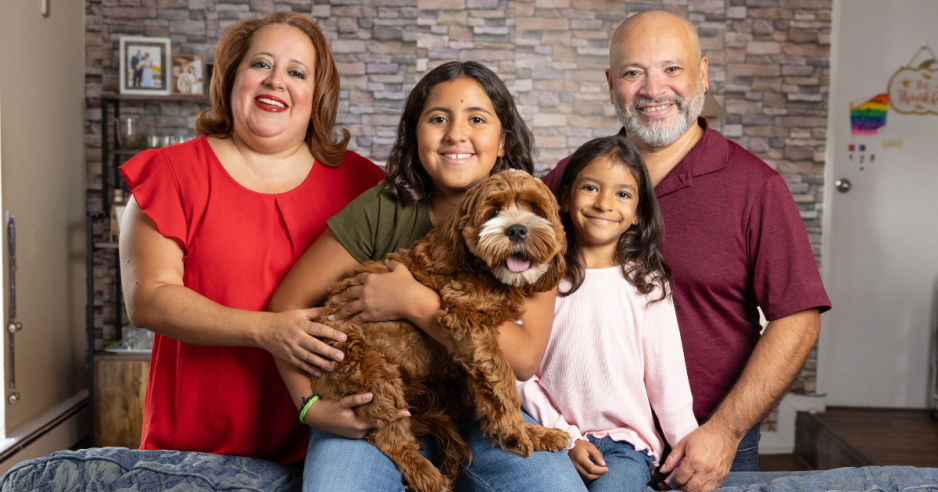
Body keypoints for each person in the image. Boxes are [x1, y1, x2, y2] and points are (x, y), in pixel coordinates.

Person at [541, 10, 831, 492]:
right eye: (635, 72)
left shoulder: (754, 186)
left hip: (703, 447)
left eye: (672, 69)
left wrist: (724, 432)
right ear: (611, 83)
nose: (655, 90)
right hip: (584, 448)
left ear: (702, 74)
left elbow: (798, 318)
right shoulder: (570, 180)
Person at [268, 61, 583, 492]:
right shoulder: (384, 207)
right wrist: (309, 407)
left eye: (477, 118)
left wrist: (412, 302)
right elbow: (285, 309)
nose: (456, 133)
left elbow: (524, 359)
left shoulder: (531, 218)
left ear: (502, 139)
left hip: (478, 411)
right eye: (438, 119)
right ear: (416, 136)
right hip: (372, 406)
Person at [118, 12, 384, 466]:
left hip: (325, 448)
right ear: (232, 79)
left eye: (296, 72)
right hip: (195, 452)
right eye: (261, 65)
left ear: (315, 95)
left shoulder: (363, 184)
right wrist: (267, 331)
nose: (276, 81)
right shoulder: (170, 173)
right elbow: (149, 299)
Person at [519, 135, 699, 492]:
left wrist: (686, 460)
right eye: (590, 187)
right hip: (554, 440)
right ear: (566, 198)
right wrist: (567, 439)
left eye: (622, 194)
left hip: (625, 448)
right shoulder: (538, 279)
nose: (604, 203)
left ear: (637, 215)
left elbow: (670, 386)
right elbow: (521, 376)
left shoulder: (649, 286)